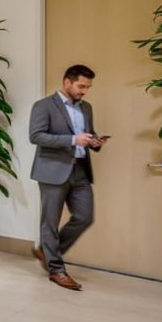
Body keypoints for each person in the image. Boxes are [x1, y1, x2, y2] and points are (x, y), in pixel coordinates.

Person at [29, 64, 107, 291]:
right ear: (66, 82)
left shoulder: (87, 107)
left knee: (84, 217)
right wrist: (73, 140)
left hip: (80, 170)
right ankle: (56, 270)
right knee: (50, 223)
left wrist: (94, 141)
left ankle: (48, 251)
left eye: (88, 87)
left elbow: (87, 134)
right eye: (81, 86)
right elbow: (36, 136)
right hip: (52, 170)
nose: (84, 91)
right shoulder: (43, 106)